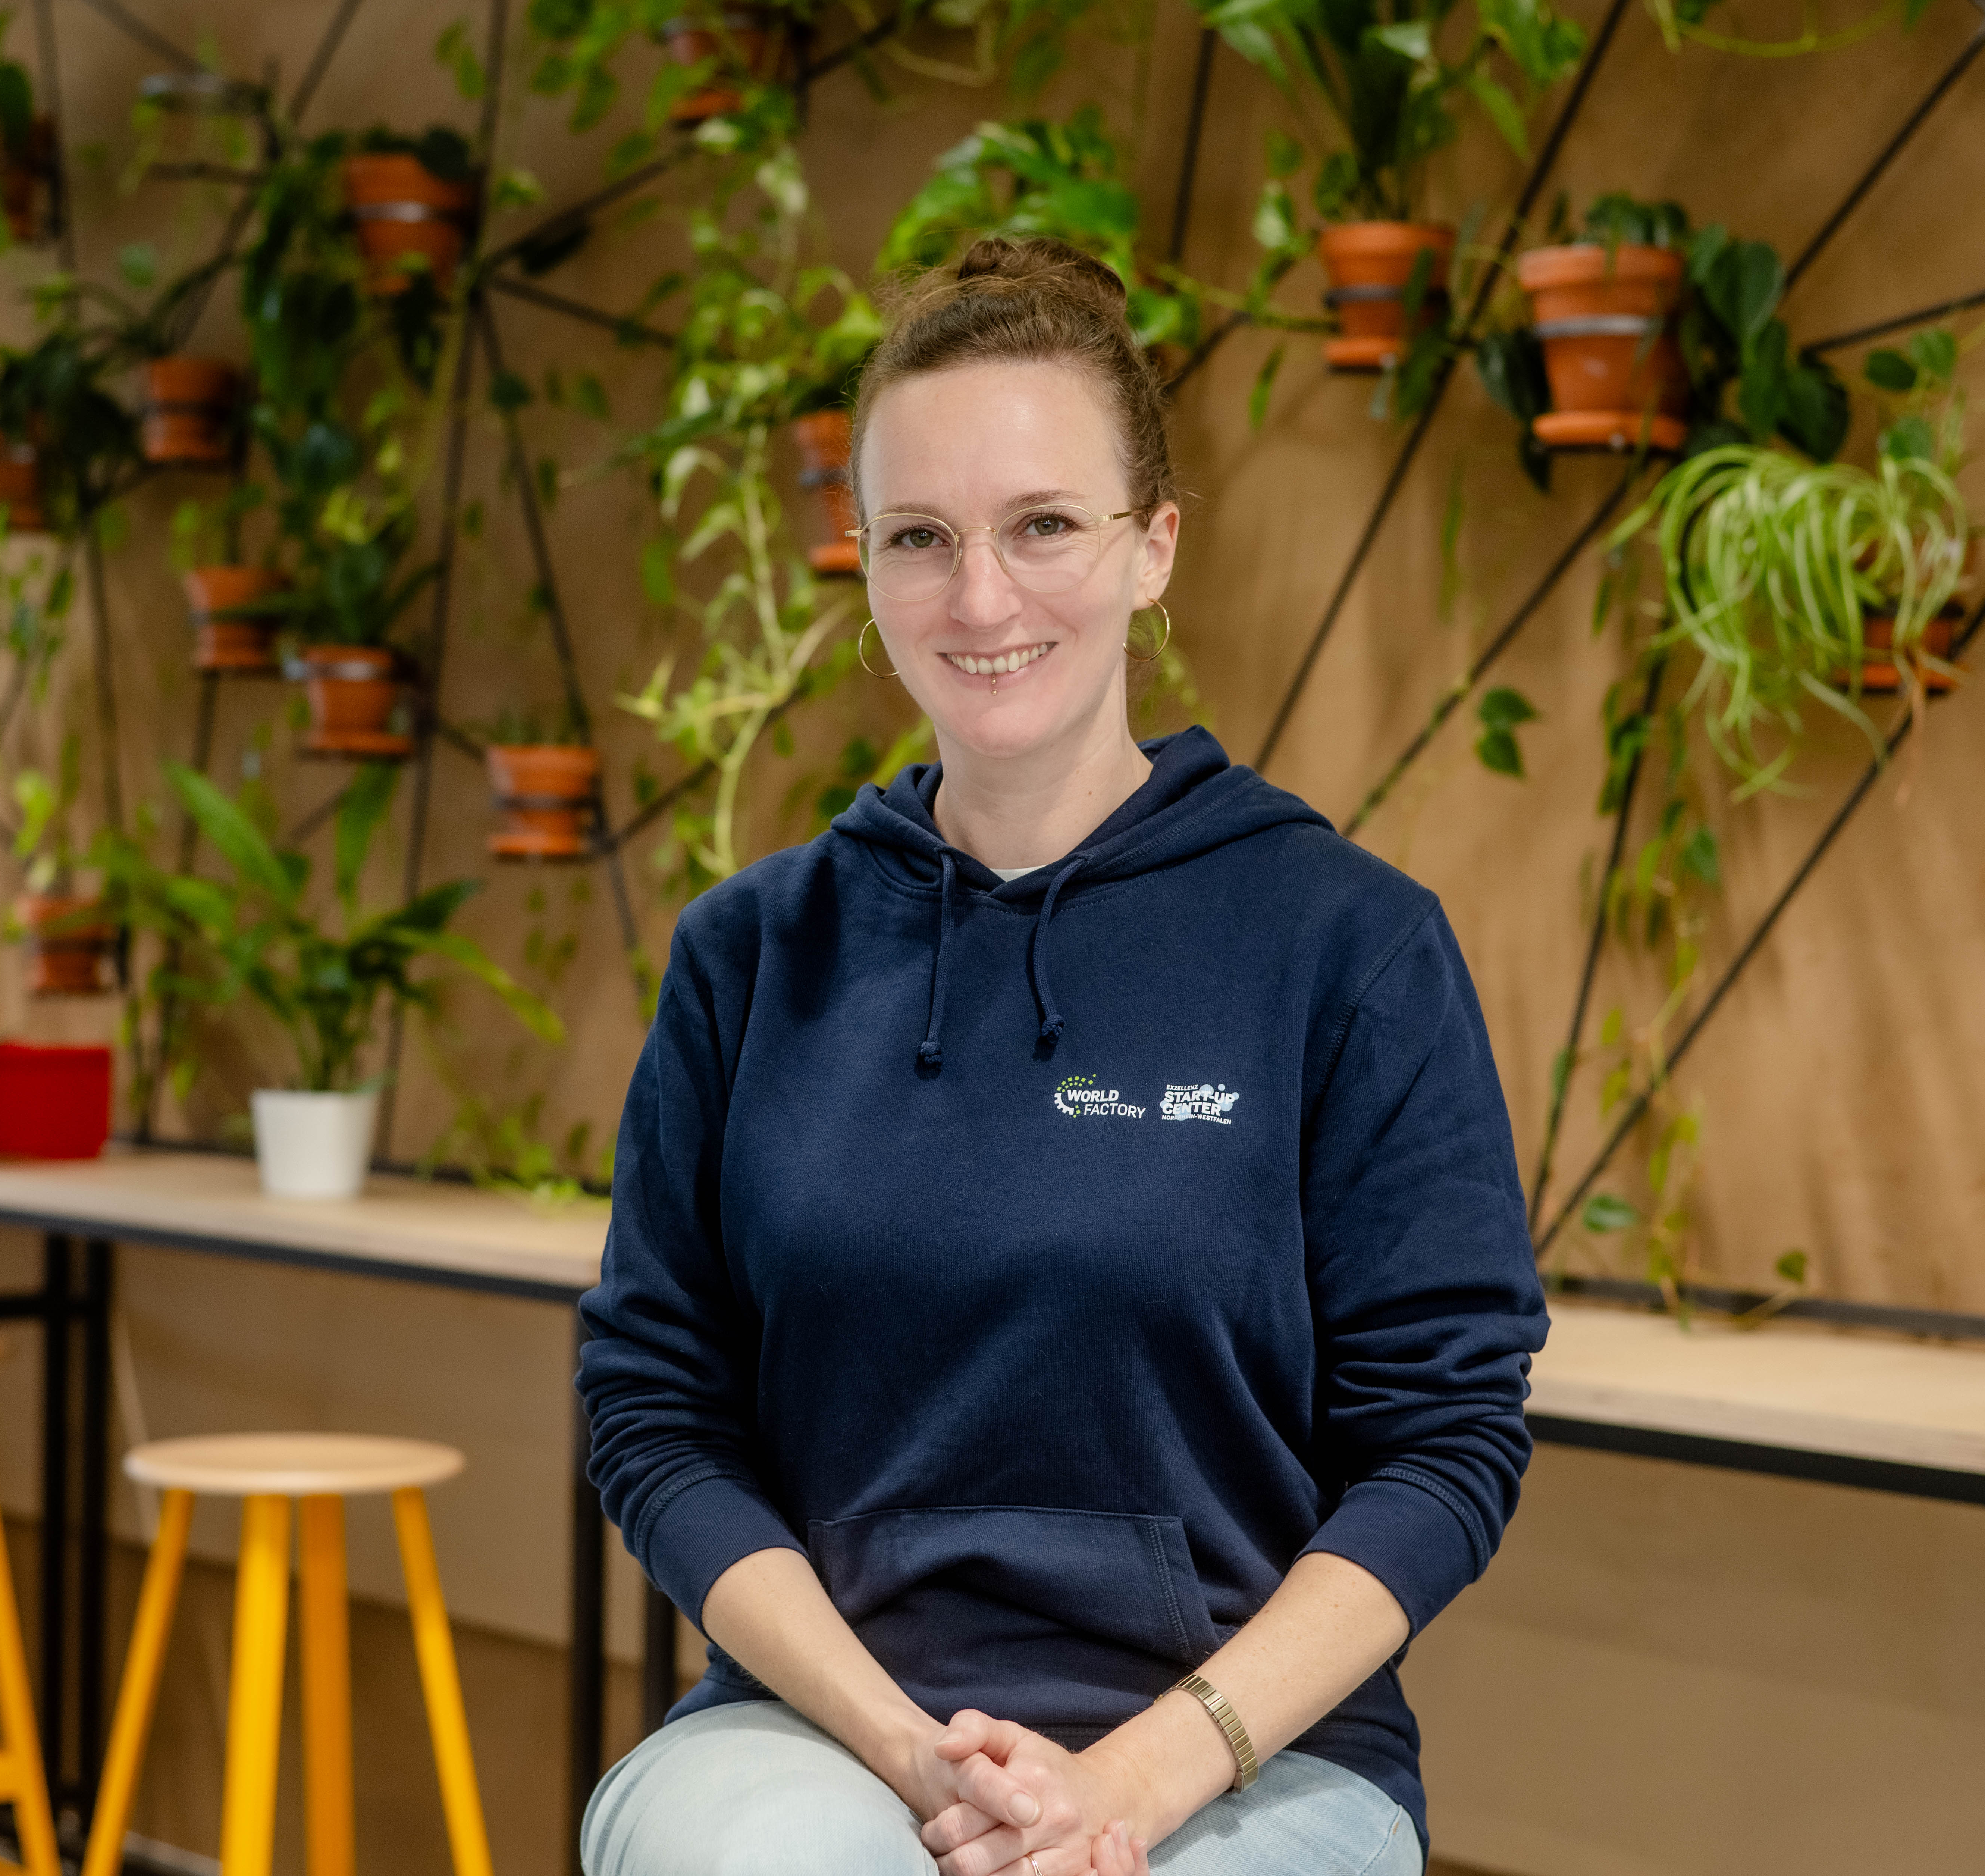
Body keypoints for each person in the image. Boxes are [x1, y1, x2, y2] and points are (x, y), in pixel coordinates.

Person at [576, 234, 1546, 1876]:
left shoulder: (1345, 946)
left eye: (1041, 526)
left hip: (1252, 1757)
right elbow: (654, 1411)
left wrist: (1142, 1782)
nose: (979, 597)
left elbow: (1444, 1442)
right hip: (814, 1736)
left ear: (1152, 546)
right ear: (864, 566)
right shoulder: (749, 957)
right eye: (918, 538)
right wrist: (903, 1751)